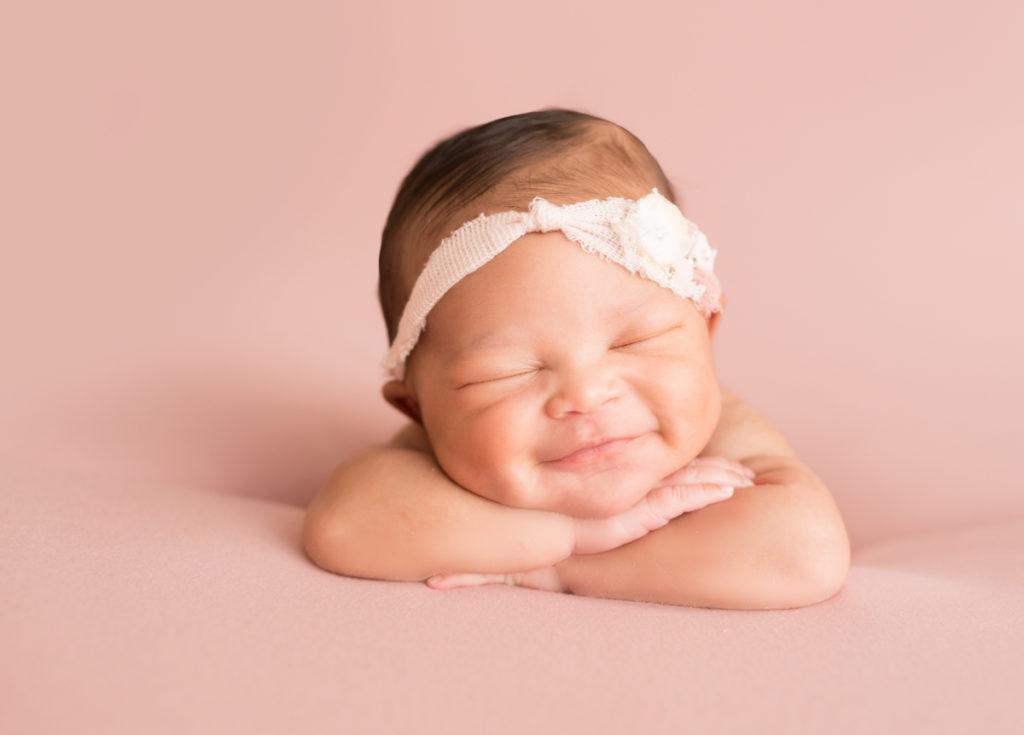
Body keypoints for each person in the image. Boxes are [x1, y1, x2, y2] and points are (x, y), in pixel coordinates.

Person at [303, 109, 849, 609]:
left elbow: (804, 552)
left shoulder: (725, 431)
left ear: (705, 330)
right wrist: (570, 537)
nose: (586, 395)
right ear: (416, 407)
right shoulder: (438, 451)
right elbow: (342, 525)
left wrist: (563, 567)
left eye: (633, 341)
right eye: (509, 371)